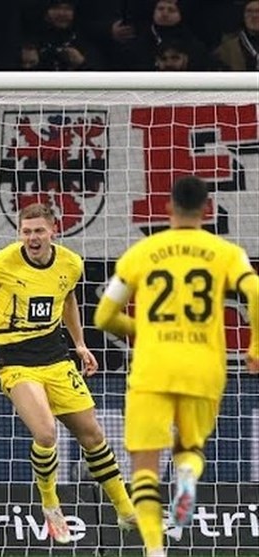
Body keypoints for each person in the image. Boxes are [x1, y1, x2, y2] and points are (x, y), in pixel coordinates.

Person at [94, 176, 259, 557]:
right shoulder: (225, 252)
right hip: (203, 368)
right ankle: (187, 475)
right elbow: (254, 290)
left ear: (168, 208)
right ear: (207, 210)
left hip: (153, 368)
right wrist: (255, 345)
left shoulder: (142, 252)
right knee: (189, 447)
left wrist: (143, 329)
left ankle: (155, 549)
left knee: (144, 466)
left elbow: (103, 316)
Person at [0, 202, 135, 543]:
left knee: (93, 434)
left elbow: (67, 299)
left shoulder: (71, 263)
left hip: (54, 356)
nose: (32, 238)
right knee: (46, 433)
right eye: (26, 232)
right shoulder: (1, 263)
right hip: (13, 358)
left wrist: (80, 344)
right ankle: (51, 505)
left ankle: (126, 510)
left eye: (39, 231)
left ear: (54, 230)